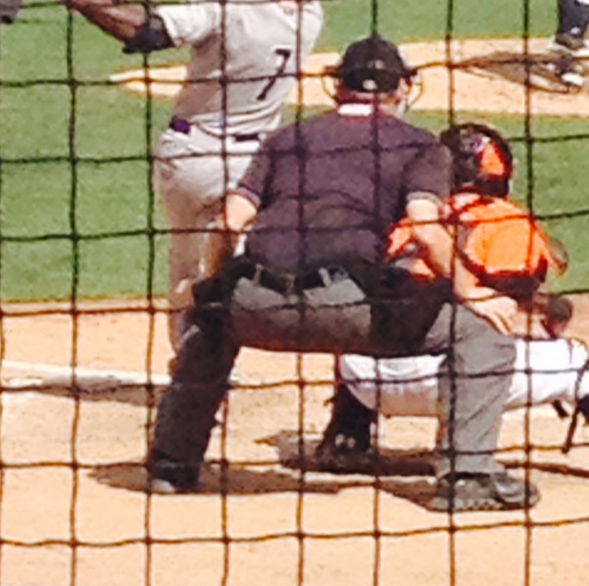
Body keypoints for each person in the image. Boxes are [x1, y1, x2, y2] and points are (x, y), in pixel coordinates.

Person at [146, 35, 538, 513]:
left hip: (258, 306)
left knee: (211, 319)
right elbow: (425, 227)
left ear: (337, 88)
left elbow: (230, 220)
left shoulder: (287, 139)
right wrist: (472, 292)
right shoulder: (418, 146)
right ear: (405, 88)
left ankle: (172, 466)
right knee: (481, 331)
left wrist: (217, 285)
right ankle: (467, 478)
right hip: (348, 307)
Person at [317, 122, 589, 488]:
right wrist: (546, 307)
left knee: (363, 324)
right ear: (500, 172)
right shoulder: (505, 221)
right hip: (461, 378)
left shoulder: (404, 222)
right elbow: (508, 295)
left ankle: (346, 438)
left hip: (369, 380)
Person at [35, 0, 332, 351]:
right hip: (255, 170)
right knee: (235, 271)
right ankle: (220, 360)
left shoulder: (226, 1)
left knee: (188, 272)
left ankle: (190, 372)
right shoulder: (310, 11)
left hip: (193, 159)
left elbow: (145, 32)